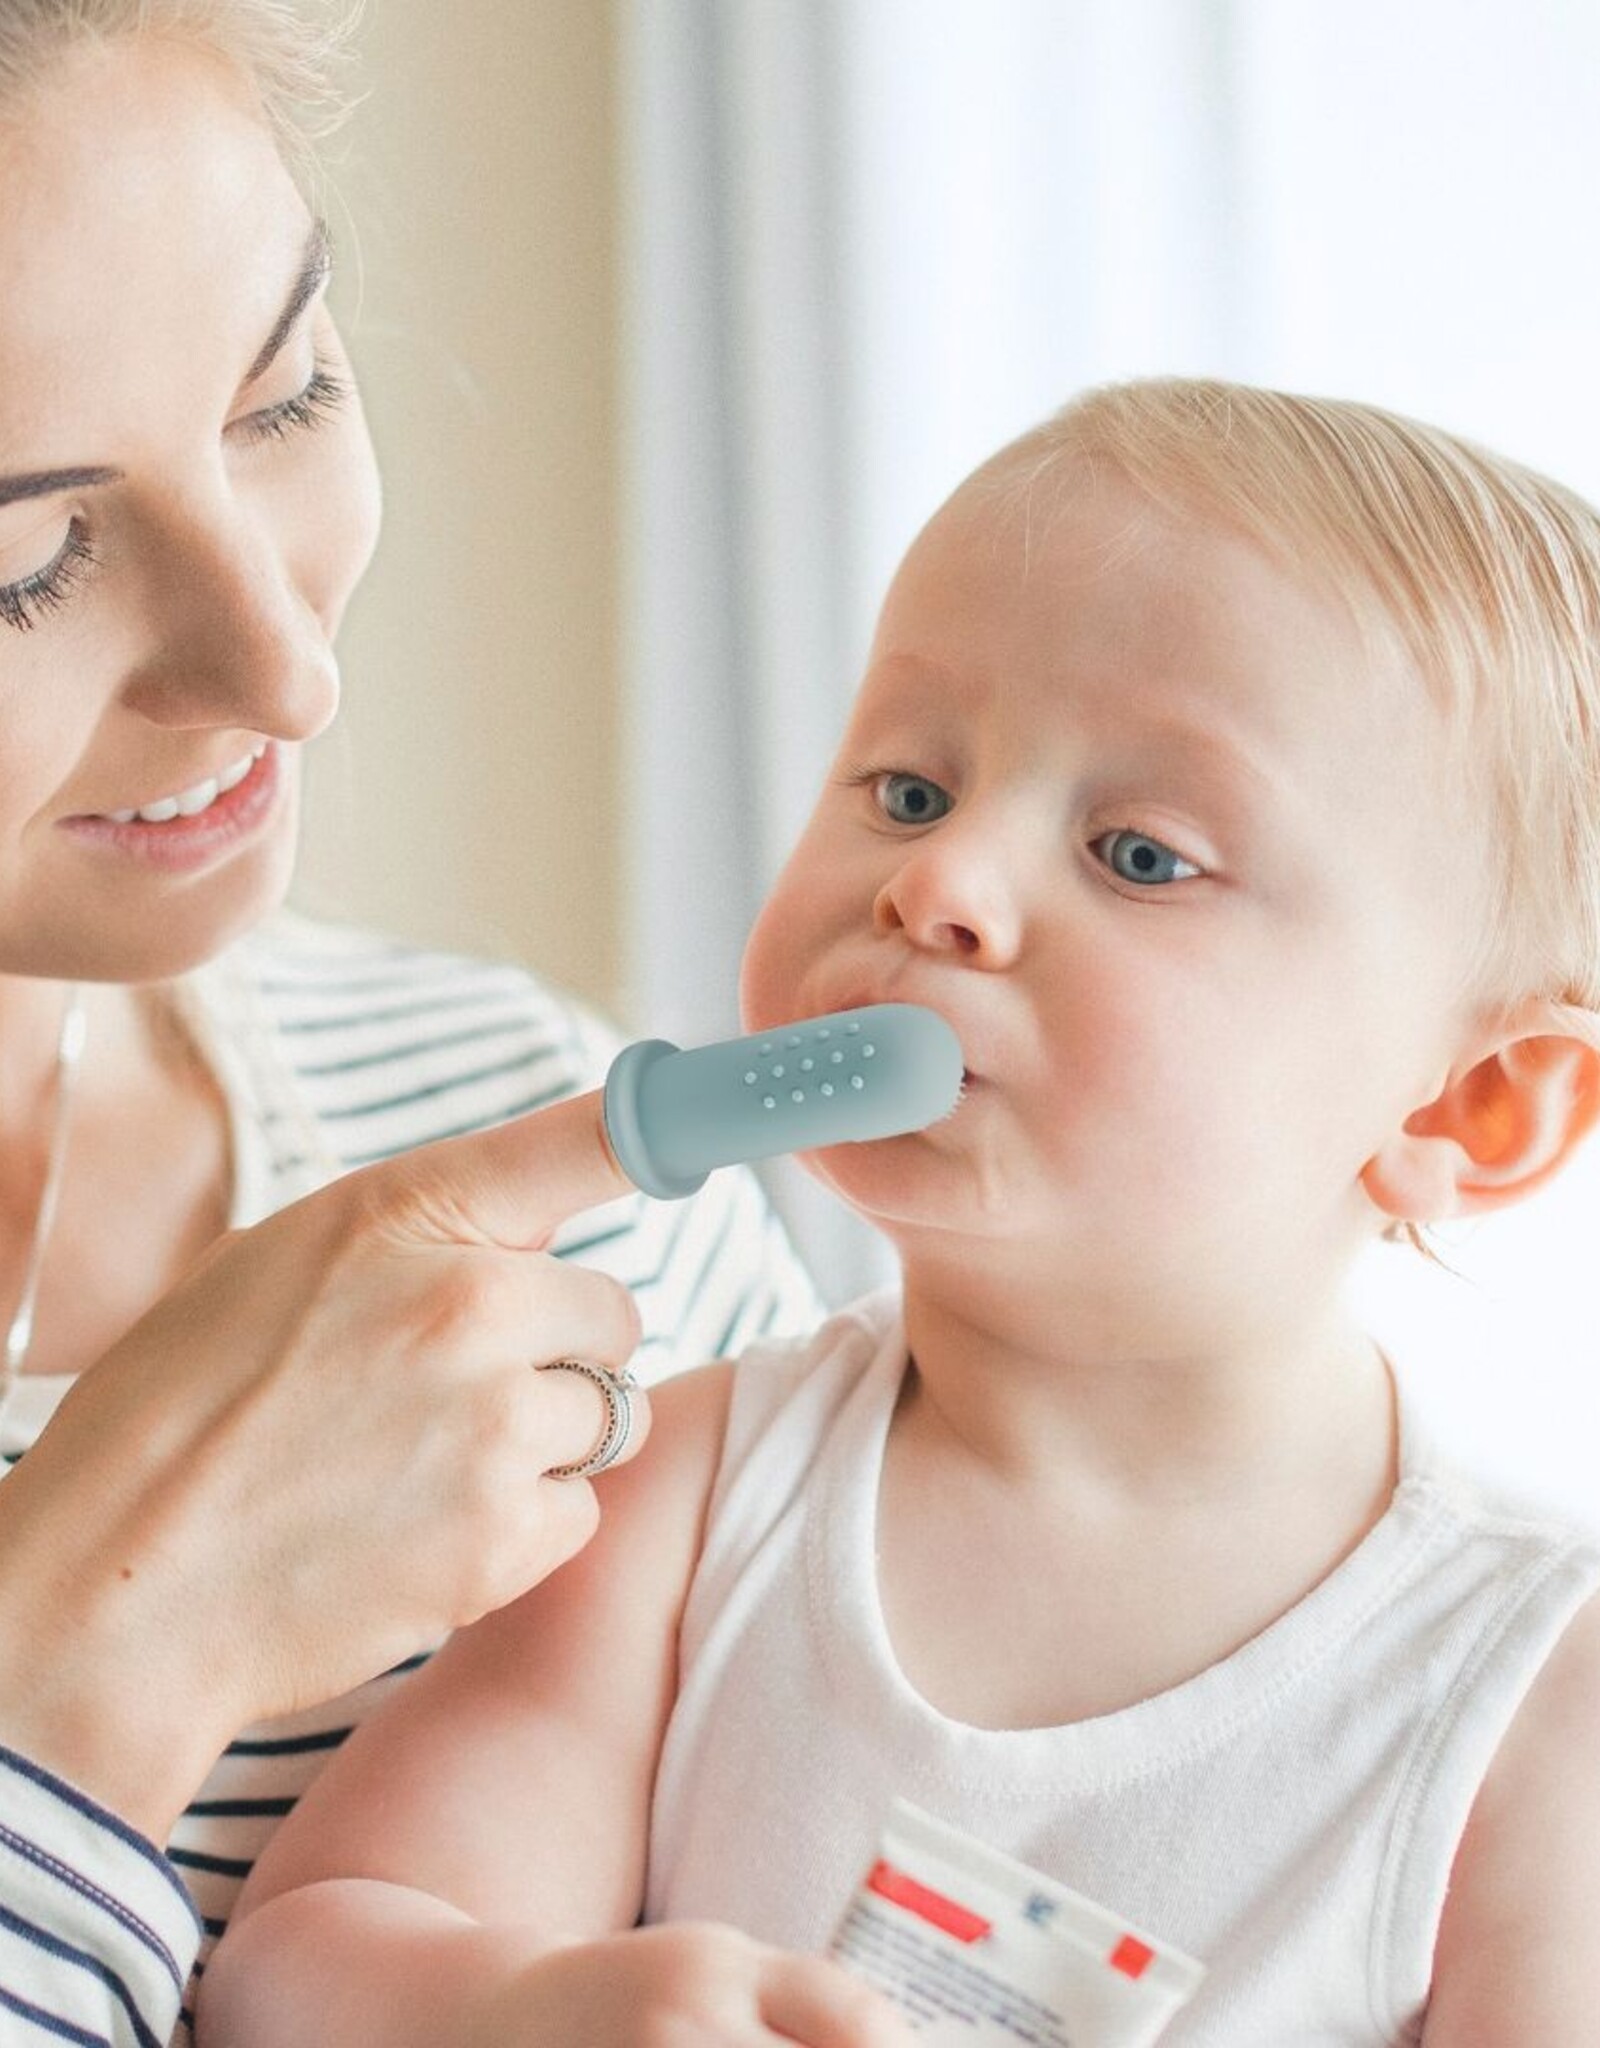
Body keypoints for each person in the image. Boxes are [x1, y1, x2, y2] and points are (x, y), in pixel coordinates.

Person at [197, 374, 1600, 2048]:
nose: (933, 886)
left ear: (1468, 1107)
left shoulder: (1529, 1697)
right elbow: (294, 1967)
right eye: (911, 789)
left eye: (1140, 854)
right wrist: (519, 2002)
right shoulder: (675, 1500)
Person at [0, 5, 828, 2044]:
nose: (283, 671)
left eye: (283, 394)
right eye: (21, 566)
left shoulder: (540, 1159)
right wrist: (94, 1657)